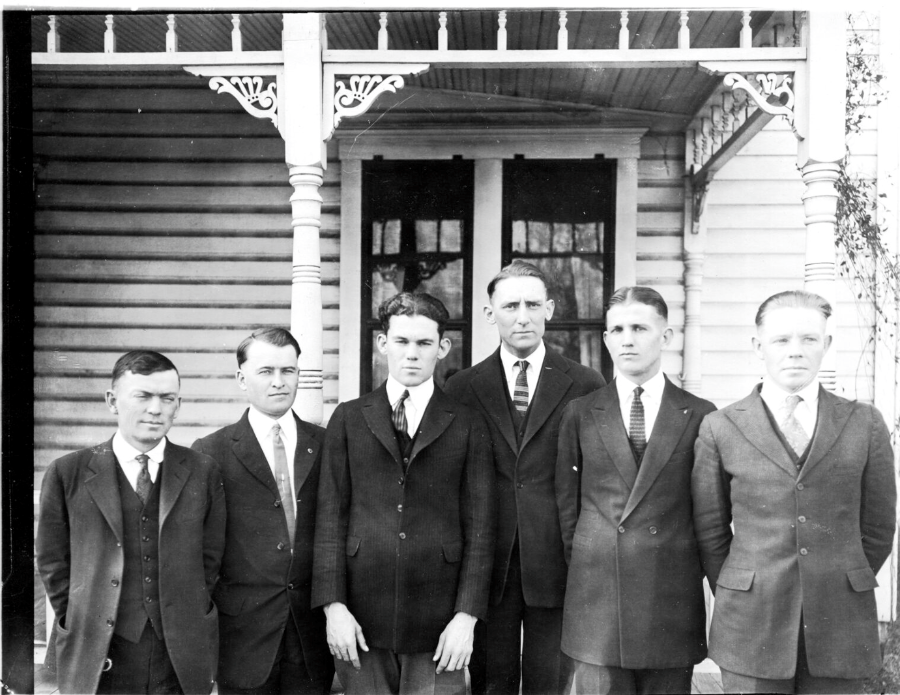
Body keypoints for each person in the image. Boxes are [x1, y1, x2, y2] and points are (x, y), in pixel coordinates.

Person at [692, 290, 896, 694]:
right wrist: (745, 586)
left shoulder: (864, 423)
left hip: (839, 621)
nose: (795, 351)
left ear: (827, 345)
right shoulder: (721, 427)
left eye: (809, 339)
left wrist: (834, 578)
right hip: (752, 622)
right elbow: (711, 531)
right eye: (781, 340)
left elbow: (878, 528)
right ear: (758, 347)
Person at [312, 292, 495, 695]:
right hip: (360, 618)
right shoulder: (349, 417)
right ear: (383, 344)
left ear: (443, 347)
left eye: (424, 343)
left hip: (439, 621)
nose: (411, 354)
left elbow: (481, 528)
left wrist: (466, 617)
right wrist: (333, 607)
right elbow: (329, 518)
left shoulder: (466, 422)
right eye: (401, 341)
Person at [444, 259, 605, 695]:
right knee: (491, 683)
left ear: (550, 309)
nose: (522, 316)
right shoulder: (460, 388)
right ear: (490, 313)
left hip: (557, 561)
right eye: (510, 305)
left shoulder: (586, 384)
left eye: (533, 304)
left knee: (549, 683)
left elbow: (597, 478)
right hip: (487, 566)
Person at [556, 286, 716, 695]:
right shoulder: (580, 413)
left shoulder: (700, 414)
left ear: (666, 337)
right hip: (598, 603)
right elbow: (567, 508)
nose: (627, 339)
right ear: (606, 339)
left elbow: (709, 515)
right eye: (617, 330)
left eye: (640, 328)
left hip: (668, 601)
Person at [36, 350, 225, 695]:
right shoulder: (68, 472)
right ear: (112, 400)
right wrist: (84, 617)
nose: (156, 409)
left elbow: (211, 560)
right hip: (100, 652)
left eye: (168, 398)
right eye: (143, 396)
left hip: (178, 652)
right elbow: (53, 563)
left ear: (178, 405)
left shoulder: (202, 470)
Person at [191, 328, 334, 694]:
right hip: (242, 636)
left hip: (310, 636)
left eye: (288, 371)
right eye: (266, 371)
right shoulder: (211, 451)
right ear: (242, 378)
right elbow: (201, 554)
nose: (279, 382)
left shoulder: (326, 444)